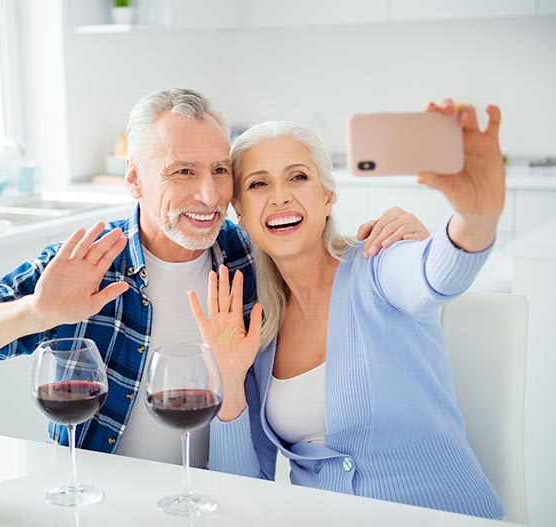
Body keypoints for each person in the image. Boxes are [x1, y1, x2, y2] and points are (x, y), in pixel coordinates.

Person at [0, 88, 429, 467]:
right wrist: (36, 312)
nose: (208, 194)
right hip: (96, 499)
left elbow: (329, 261)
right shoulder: (87, 264)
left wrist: (399, 237)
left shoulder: (251, 256)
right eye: (183, 171)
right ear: (135, 179)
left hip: (211, 500)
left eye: (220, 170)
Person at [188, 100, 506, 518]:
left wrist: (476, 218)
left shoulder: (378, 265)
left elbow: (434, 274)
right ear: (240, 214)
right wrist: (228, 383)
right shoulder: (254, 331)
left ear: (327, 197)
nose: (280, 197)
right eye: (259, 184)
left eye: (298, 177)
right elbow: (244, 490)